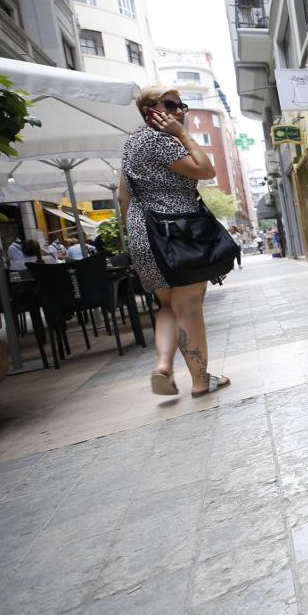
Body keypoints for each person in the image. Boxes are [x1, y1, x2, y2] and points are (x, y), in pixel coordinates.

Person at [119, 85, 230, 399]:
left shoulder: (131, 144)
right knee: (189, 307)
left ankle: (163, 365)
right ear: (150, 110)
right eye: (172, 104)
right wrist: (183, 134)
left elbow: (122, 195)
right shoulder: (162, 141)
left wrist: (136, 233)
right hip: (176, 233)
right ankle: (200, 381)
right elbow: (205, 169)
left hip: (143, 234)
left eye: (183, 105)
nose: (180, 110)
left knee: (168, 306)